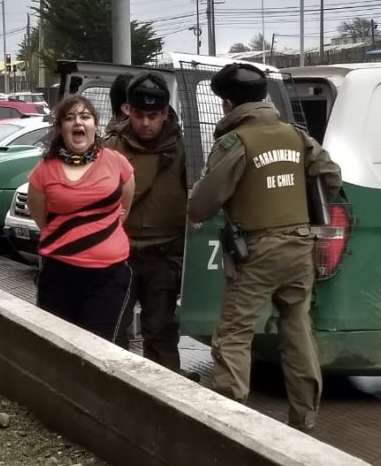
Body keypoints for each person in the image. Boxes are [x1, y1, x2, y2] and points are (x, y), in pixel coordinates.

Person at [187, 63, 341, 432]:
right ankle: (305, 417)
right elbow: (331, 177)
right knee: (297, 329)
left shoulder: (236, 143)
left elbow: (202, 204)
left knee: (234, 334)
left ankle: (229, 423)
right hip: (300, 245)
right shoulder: (296, 135)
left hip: (257, 250)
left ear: (226, 104)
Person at [27, 94, 136, 341]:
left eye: (85, 117)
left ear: (94, 125)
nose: (78, 122)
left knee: (103, 347)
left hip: (109, 276)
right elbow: (41, 218)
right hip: (59, 274)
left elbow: (124, 208)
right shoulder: (44, 171)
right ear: (60, 128)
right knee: (59, 344)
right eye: (70, 118)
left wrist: (101, 235)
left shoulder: (116, 163)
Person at [104, 73, 192, 377]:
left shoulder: (183, 149)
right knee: (114, 329)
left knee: (162, 332)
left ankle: (169, 396)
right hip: (120, 256)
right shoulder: (111, 147)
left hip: (163, 257)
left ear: (166, 113)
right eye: (139, 115)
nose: (145, 123)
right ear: (128, 110)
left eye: (153, 116)